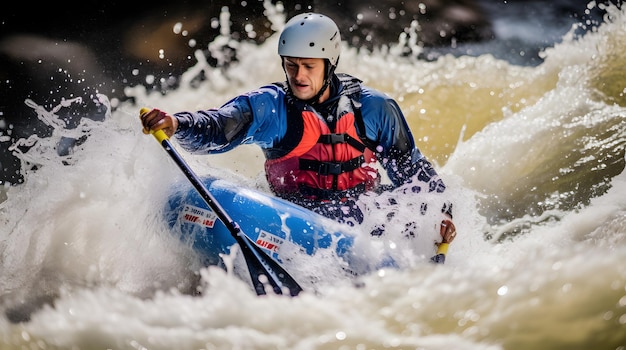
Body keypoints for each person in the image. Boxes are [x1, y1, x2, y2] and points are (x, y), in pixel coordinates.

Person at [140, 12, 457, 262]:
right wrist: (176, 123)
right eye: (291, 66)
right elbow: (219, 127)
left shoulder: (373, 108)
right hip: (295, 216)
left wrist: (441, 214)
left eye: (308, 66)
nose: (299, 76)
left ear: (330, 64)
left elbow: (412, 171)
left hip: (364, 213)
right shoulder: (271, 107)